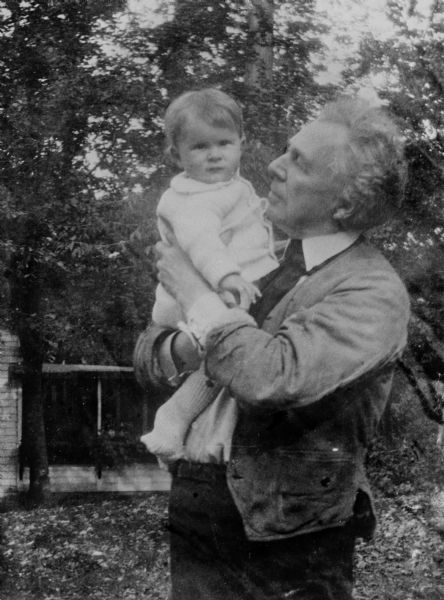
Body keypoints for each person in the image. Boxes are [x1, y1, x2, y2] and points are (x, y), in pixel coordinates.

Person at [134, 95, 410, 600]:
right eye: (285, 151)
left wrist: (194, 290)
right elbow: (150, 356)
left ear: (345, 203)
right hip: (200, 502)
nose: (274, 167)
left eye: (299, 162)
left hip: (286, 541)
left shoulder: (371, 292)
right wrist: (188, 346)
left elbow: (272, 378)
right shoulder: (263, 257)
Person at [141, 88, 278, 461]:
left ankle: (183, 425)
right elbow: (202, 244)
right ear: (176, 154)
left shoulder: (224, 186)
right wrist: (226, 277)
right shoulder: (190, 199)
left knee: (228, 356)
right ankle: (173, 417)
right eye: (200, 147)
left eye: (224, 143)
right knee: (225, 350)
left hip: (224, 285)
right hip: (201, 292)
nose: (215, 154)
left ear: (241, 143)